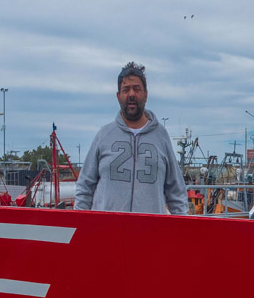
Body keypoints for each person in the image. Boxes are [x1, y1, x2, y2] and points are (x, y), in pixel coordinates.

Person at [74, 62, 188, 215]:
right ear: (118, 96)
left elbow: (176, 191)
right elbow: (85, 187)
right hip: (106, 234)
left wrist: (183, 229)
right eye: (126, 89)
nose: (131, 94)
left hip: (150, 234)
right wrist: (80, 226)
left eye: (137, 89)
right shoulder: (104, 135)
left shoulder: (161, 136)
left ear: (146, 95)